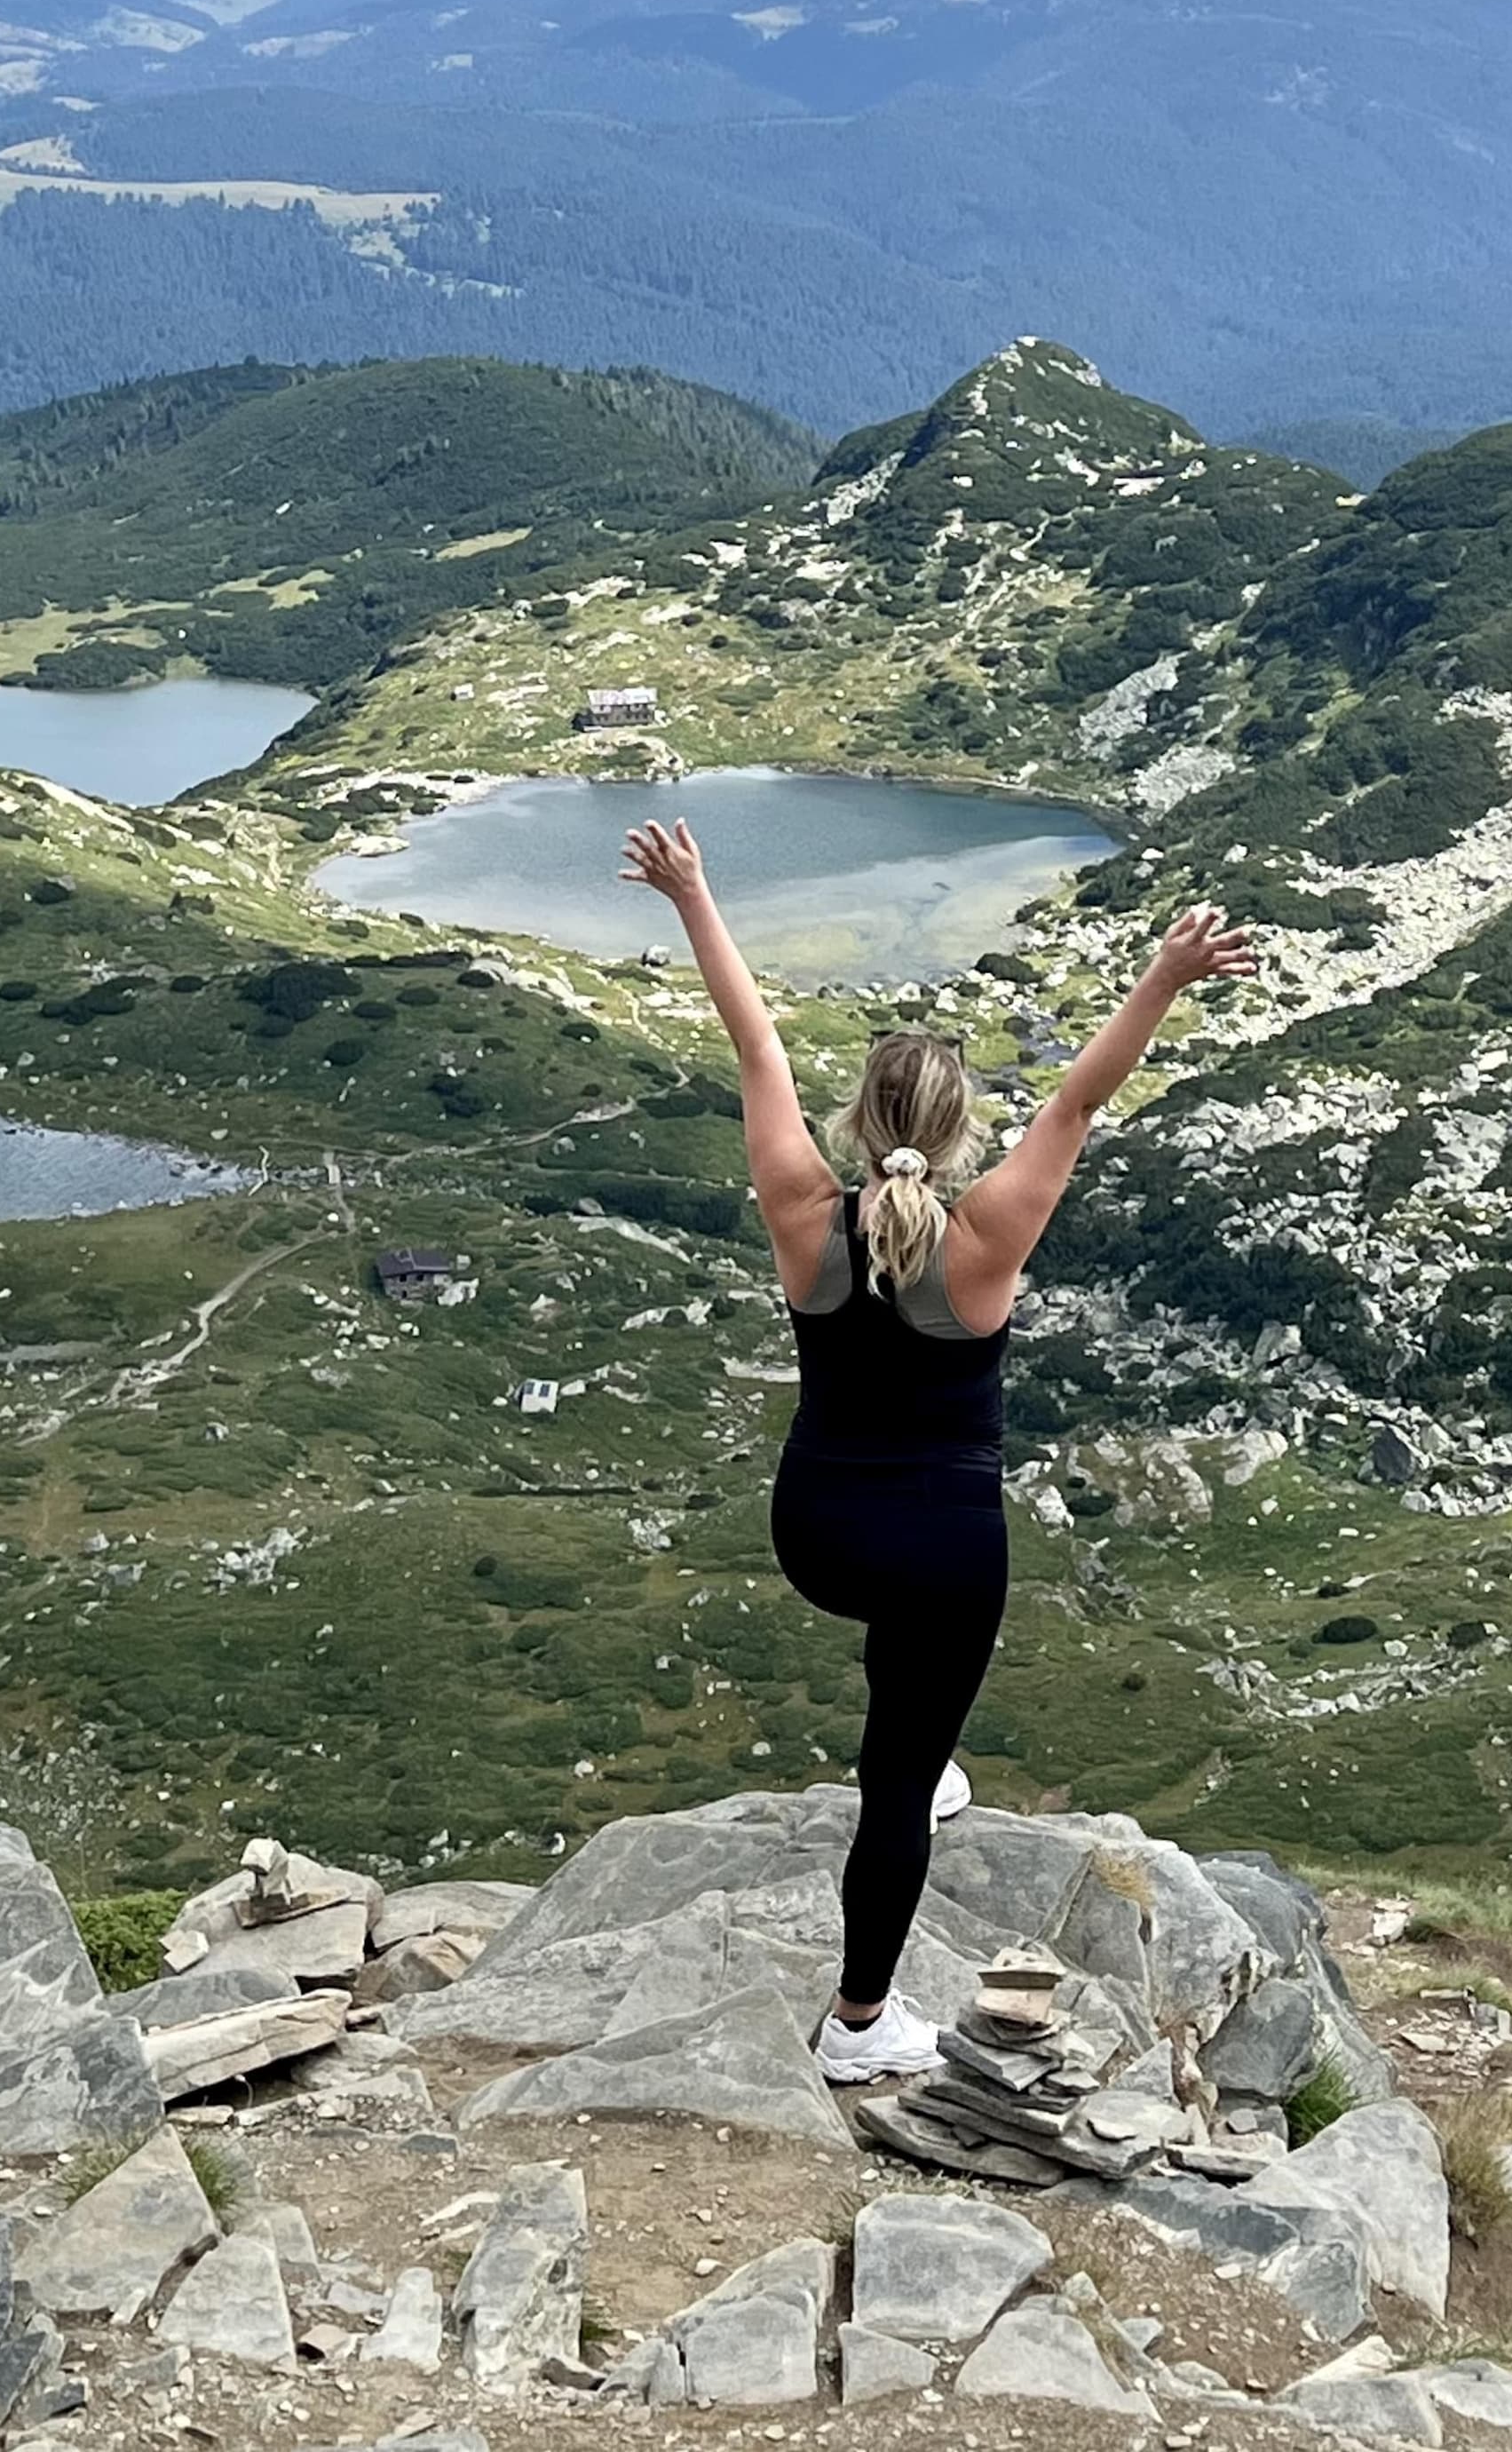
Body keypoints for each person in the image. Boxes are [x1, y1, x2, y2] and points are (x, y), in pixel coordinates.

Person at [621, 816, 1258, 2081]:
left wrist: (693, 892)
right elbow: (1079, 1096)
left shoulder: (805, 1211)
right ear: (962, 1135)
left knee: (902, 1672)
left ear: (859, 1123)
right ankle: (859, 2028)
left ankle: (920, 1758)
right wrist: (1167, 978)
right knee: (897, 1789)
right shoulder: (987, 1237)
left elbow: (753, 1044)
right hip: (942, 1554)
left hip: (815, 1535)